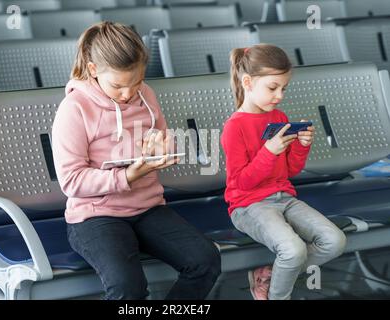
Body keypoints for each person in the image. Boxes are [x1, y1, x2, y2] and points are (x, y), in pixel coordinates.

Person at [52, 22, 221, 300]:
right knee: (127, 287)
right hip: (96, 216)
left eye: (137, 82)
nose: (128, 94)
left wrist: (164, 151)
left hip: (148, 208)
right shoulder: (75, 109)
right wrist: (127, 176)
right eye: (118, 85)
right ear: (94, 71)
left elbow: (165, 139)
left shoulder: (147, 95)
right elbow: (71, 181)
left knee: (206, 260)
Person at [220, 44, 346, 300]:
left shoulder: (278, 116)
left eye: (283, 88)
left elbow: (290, 170)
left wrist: (302, 146)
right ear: (248, 82)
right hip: (249, 205)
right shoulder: (234, 127)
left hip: (284, 198)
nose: (279, 95)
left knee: (334, 241)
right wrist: (269, 151)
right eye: (272, 87)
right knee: (294, 250)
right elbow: (241, 183)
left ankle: (270, 274)